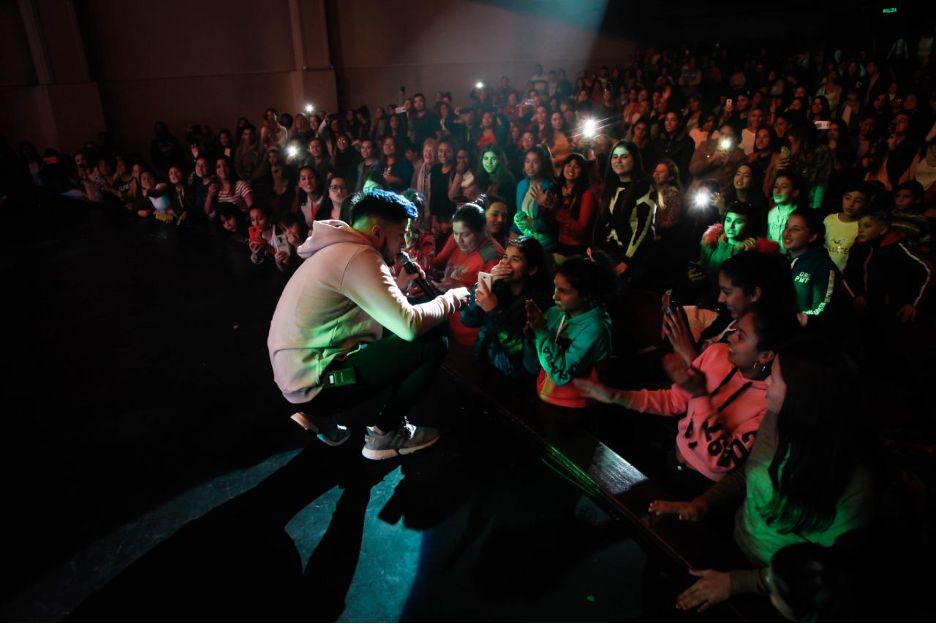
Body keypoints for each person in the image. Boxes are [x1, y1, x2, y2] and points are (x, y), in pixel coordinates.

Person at [646, 336, 872, 614]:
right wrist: (703, 503)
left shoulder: (856, 482)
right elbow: (748, 474)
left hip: (784, 591)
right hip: (736, 544)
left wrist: (740, 583)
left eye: (774, 379)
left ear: (802, 395)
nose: (766, 385)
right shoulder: (776, 419)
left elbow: (828, 566)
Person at [268, 190, 471, 459]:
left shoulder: (338, 249)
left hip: (296, 373)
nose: (404, 245)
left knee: (397, 333)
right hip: (314, 383)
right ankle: (385, 434)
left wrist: (400, 284)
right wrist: (452, 298)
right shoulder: (359, 256)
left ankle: (319, 417)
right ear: (377, 232)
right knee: (432, 341)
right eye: (400, 236)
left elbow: (357, 312)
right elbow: (409, 325)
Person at [577, 304, 798, 495]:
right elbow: (674, 401)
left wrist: (700, 395)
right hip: (672, 456)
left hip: (704, 487)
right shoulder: (717, 353)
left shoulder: (771, 401)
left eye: (740, 335)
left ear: (766, 355)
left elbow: (721, 458)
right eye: (734, 329)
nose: (730, 336)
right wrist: (616, 396)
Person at [523, 252, 615, 409]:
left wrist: (541, 332)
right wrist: (532, 338)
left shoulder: (595, 329)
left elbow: (561, 375)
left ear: (587, 295)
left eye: (563, 291)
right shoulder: (555, 313)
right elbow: (532, 366)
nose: (555, 296)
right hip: (546, 394)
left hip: (576, 406)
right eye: (555, 287)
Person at [460, 236, 554, 377]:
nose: (505, 263)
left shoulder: (538, 305)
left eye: (515, 259)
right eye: (505, 257)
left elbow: (519, 349)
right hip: (482, 363)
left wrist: (493, 312)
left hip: (510, 377)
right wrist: (485, 283)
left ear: (532, 269)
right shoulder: (497, 286)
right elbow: (467, 319)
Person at [431, 203, 505, 346]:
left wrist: (459, 285)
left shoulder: (492, 257)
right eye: (455, 233)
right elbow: (438, 263)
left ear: (482, 231)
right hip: (449, 316)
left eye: (466, 235)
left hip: (470, 331)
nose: (459, 239)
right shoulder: (457, 237)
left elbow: (485, 302)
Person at [844, 209, 933, 324]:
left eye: (867, 226)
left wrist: (914, 304)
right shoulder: (858, 248)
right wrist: (856, 296)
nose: (860, 230)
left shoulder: (897, 248)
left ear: (883, 229)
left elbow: (927, 271)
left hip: (893, 312)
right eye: (859, 226)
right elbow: (848, 273)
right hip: (864, 308)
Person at [782, 209, 842, 326]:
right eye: (786, 226)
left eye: (796, 229)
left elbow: (821, 312)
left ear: (812, 236)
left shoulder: (823, 266)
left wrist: (789, 319)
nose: (787, 233)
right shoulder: (781, 260)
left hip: (802, 335)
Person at [514, 145, 558, 252]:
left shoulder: (549, 187)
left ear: (542, 165)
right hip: (525, 239)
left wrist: (533, 223)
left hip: (544, 243)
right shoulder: (521, 185)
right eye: (527, 161)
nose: (530, 166)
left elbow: (551, 224)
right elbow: (519, 213)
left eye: (535, 162)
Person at [553, 152, 598, 258]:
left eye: (576, 166)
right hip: (560, 244)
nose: (571, 169)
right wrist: (543, 208)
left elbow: (581, 230)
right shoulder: (558, 190)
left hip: (579, 248)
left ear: (582, 171)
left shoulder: (587, 194)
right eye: (568, 165)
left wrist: (557, 210)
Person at [823, 181, 870, 271]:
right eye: (848, 198)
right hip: (823, 271)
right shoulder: (829, 219)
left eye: (858, 201)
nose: (850, 204)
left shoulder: (862, 226)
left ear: (866, 204)